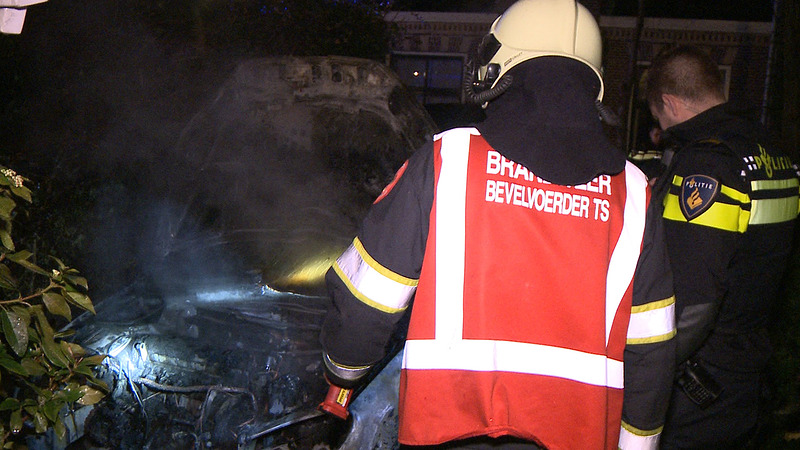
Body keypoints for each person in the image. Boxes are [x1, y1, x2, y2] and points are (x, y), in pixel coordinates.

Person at [319, 0, 677, 448]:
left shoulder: (447, 160)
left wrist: (341, 372)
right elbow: (652, 350)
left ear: (502, 67)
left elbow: (365, 299)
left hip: (448, 430)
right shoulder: (635, 193)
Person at [644, 45, 800, 449]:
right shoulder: (770, 151)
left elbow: (694, 302)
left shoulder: (708, 164)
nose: (661, 126)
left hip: (700, 385)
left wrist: (650, 370)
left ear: (669, 102)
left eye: (658, 116)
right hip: (748, 372)